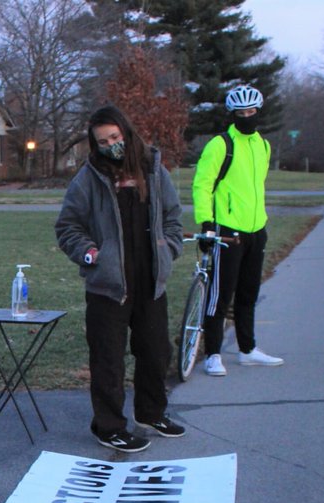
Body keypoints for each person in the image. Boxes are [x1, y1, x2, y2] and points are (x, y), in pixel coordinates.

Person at [55, 105, 185, 453]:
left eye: (115, 137)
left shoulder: (153, 170)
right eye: (102, 142)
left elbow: (173, 217)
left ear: (126, 133)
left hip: (150, 282)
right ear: (94, 145)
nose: (111, 145)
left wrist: (168, 248)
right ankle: (109, 426)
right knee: (108, 360)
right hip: (108, 288)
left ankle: (151, 413)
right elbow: (67, 226)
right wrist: (90, 254)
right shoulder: (89, 178)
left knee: (157, 351)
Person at [192, 84, 284, 377]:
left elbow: (255, 186)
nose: (247, 116)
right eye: (241, 112)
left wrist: (261, 223)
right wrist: (206, 222)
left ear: (258, 111)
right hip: (227, 230)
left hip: (257, 228)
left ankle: (248, 349)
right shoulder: (220, 144)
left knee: (248, 293)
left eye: (252, 111)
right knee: (220, 295)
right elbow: (202, 184)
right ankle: (213, 354)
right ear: (232, 114)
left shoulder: (263, 145)